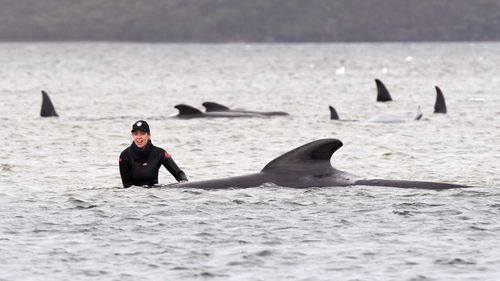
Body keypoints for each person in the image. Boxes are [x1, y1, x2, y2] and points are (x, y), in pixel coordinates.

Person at [119, 120, 188, 188]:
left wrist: (186, 185)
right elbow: (127, 186)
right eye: (136, 134)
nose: (139, 137)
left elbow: (179, 174)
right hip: (134, 196)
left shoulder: (160, 153)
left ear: (149, 135)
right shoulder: (125, 156)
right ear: (133, 136)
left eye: (142, 133)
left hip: (154, 195)